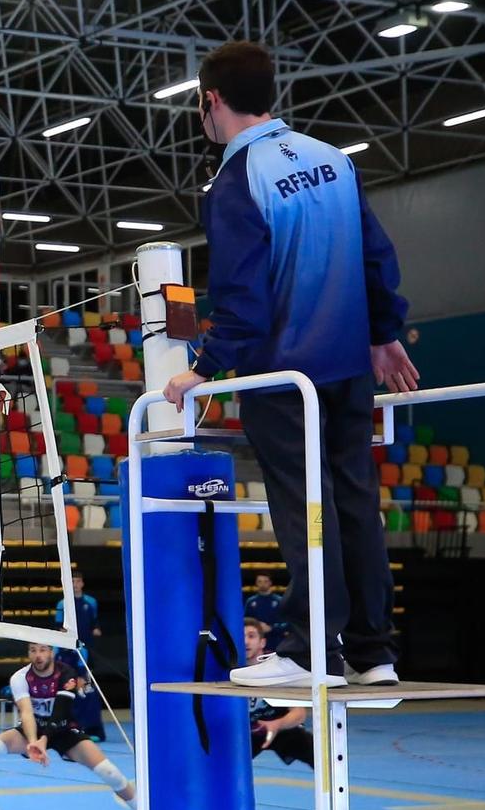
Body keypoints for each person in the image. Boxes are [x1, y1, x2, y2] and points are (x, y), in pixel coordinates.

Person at [162, 40, 414, 689]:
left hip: (282, 376)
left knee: (307, 503)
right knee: (354, 497)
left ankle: (312, 649)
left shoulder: (235, 179)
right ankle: (373, 651)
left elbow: (243, 296)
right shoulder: (335, 161)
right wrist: (385, 333)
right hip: (347, 367)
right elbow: (377, 256)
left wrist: (206, 367)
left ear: (210, 101)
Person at [0, 644, 135, 810]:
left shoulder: (67, 674)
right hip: (33, 727)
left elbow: (60, 712)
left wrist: (44, 741)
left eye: (42, 650)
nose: (38, 655)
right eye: (33, 650)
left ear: (51, 652)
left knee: (110, 772)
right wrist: (33, 741)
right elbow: (26, 712)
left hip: (64, 729)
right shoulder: (20, 677)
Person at [243, 618, 314, 766]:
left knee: (319, 753)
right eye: (242, 636)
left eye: (251, 636)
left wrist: (276, 725)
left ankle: (335, 785)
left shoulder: (278, 669)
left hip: (281, 726)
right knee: (223, 762)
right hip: (249, 731)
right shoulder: (229, 671)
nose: (246, 642)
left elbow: (299, 714)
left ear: (262, 642)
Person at [54, 572, 103, 666]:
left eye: (78, 581)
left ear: (82, 583)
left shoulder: (91, 602)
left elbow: (95, 621)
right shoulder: (62, 604)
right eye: (72, 581)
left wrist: (96, 629)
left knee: (88, 669)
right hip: (70, 643)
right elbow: (58, 625)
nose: (75, 584)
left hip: (87, 642)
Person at [244, 572, 286, 644]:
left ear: (270, 582)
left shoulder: (280, 601)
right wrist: (257, 626)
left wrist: (271, 628)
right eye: (260, 581)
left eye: (265, 581)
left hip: (277, 641)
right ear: (256, 583)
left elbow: (287, 623)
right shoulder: (250, 602)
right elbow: (246, 622)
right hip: (256, 642)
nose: (262, 584)